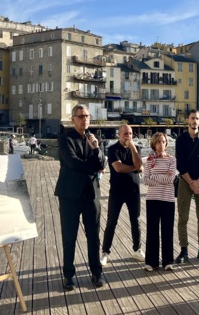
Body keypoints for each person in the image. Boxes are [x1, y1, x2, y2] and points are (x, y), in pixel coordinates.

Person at [54, 104, 106, 290]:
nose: (85, 119)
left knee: (94, 236)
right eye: (81, 116)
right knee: (69, 236)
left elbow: (101, 162)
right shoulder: (65, 139)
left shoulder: (94, 139)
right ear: (73, 119)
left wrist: (95, 149)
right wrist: (94, 167)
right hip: (69, 195)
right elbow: (72, 162)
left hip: (91, 194)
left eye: (87, 116)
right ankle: (68, 275)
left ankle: (96, 273)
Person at [100, 124, 145, 266]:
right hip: (117, 191)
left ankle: (137, 249)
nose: (128, 136)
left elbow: (141, 166)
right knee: (111, 221)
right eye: (125, 133)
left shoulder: (136, 149)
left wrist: (132, 148)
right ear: (119, 134)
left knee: (136, 221)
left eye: (130, 133)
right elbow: (118, 168)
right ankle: (105, 252)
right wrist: (134, 168)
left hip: (133, 191)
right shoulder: (113, 149)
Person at [175, 109, 199, 264]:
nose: (195, 121)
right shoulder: (181, 139)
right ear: (187, 120)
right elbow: (180, 164)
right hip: (185, 182)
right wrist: (191, 182)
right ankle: (183, 250)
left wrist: (198, 182)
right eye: (192, 118)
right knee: (183, 217)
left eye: (197, 119)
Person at [143, 132, 177, 271]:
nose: (161, 144)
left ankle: (168, 261)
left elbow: (171, 179)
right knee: (152, 230)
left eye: (163, 142)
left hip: (168, 199)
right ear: (154, 144)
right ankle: (151, 262)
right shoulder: (150, 160)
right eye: (158, 142)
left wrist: (155, 177)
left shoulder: (172, 160)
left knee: (167, 230)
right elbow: (145, 180)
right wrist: (162, 176)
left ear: (166, 144)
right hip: (152, 199)